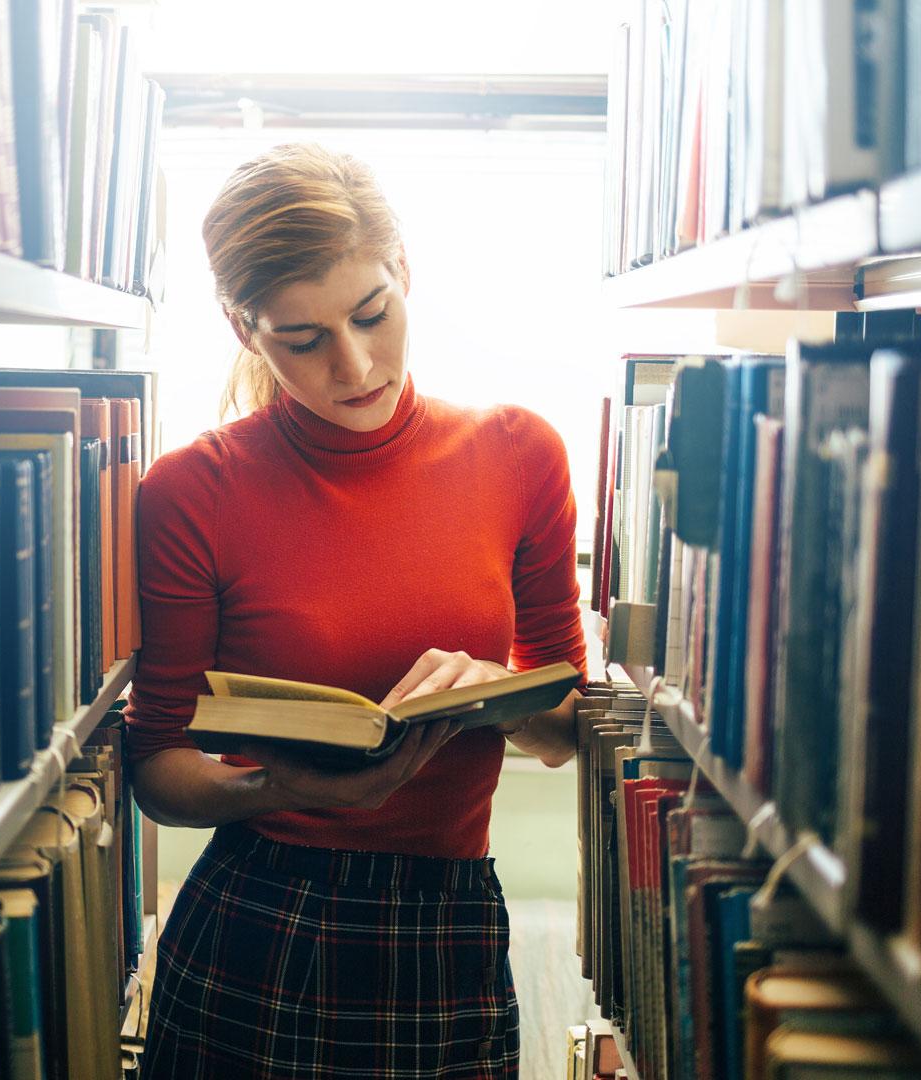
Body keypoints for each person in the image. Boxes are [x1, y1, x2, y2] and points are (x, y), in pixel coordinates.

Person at [123, 142, 588, 1079]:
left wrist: (496, 690)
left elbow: (566, 729)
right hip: (259, 918)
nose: (355, 363)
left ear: (405, 272)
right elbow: (157, 765)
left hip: (450, 918)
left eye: (373, 314)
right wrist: (279, 788)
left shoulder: (521, 454)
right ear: (243, 329)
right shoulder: (190, 490)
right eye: (302, 340)